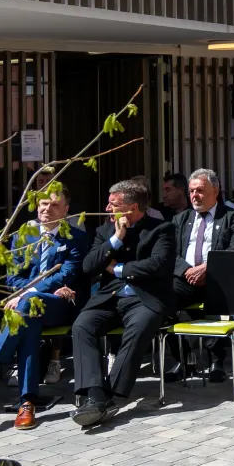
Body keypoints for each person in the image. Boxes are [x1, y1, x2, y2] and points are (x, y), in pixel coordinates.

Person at [0, 194, 89, 429]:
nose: (47, 209)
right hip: (26, 307)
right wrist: (25, 295)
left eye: (55, 205)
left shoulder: (76, 237)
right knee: (28, 325)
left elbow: (67, 274)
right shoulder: (24, 237)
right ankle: (27, 403)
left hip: (59, 304)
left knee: (28, 304)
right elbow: (13, 276)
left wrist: (27, 293)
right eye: (43, 204)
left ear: (66, 210)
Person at [71, 179, 176, 429]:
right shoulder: (105, 231)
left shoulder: (162, 229)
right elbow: (88, 266)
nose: (107, 208)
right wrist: (116, 239)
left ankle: (111, 397)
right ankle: (95, 394)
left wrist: (117, 268)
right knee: (82, 326)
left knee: (138, 329)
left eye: (113, 204)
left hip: (145, 298)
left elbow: (158, 265)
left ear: (132, 207)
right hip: (109, 297)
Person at [169, 169, 234, 381]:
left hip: (217, 277)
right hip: (185, 278)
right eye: (192, 191)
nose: (195, 195)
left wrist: (207, 267)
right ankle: (184, 359)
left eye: (200, 190)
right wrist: (187, 270)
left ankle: (216, 361)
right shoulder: (180, 219)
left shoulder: (232, 216)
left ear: (216, 190)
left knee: (219, 298)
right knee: (161, 299)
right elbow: (170, 252)